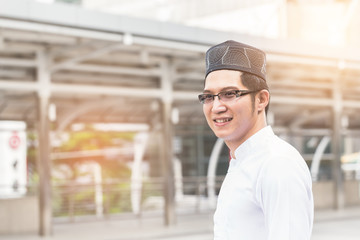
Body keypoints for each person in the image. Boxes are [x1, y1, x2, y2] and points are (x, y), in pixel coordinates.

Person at [198, 40, 314, 240]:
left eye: (229, 94)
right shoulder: (242, 161)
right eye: (209, 97)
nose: (216, 107)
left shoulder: (277, 164)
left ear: (261, 99)